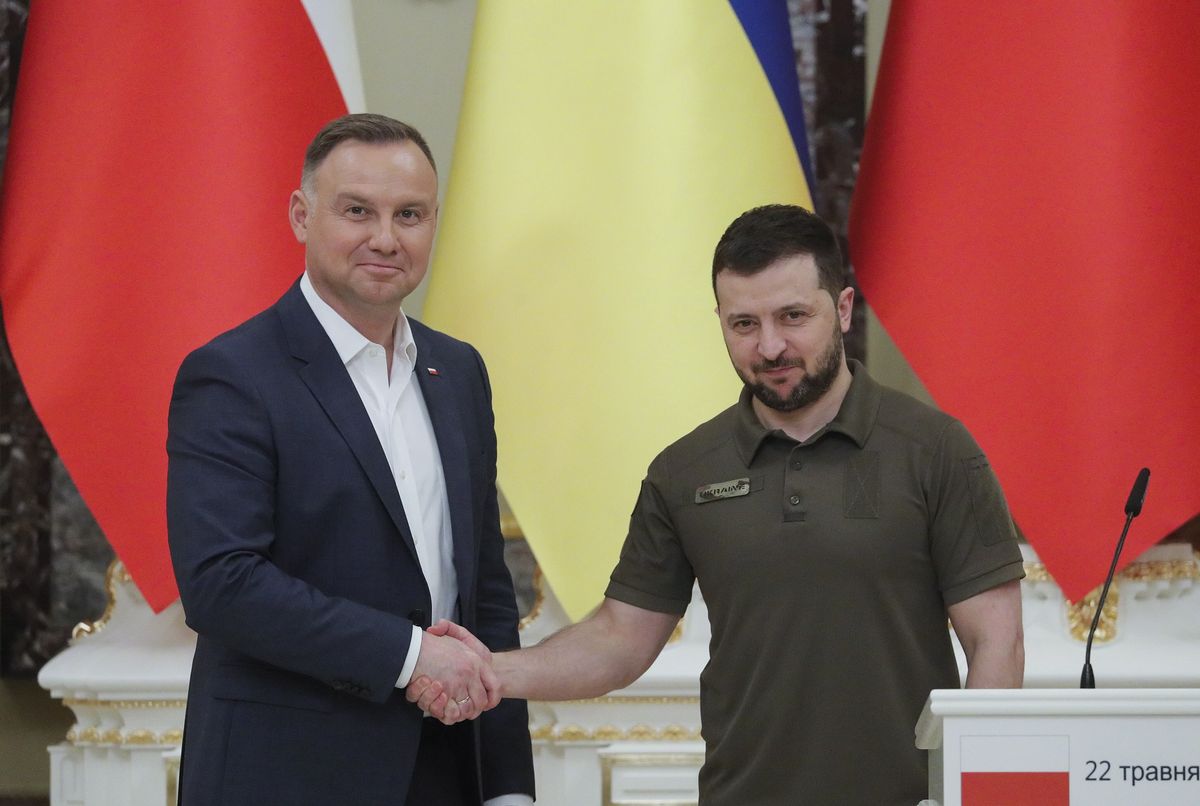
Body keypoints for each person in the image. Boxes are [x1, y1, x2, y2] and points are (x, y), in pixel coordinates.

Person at [411, 205, 1025, 804]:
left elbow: (996, 644)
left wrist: (975, 791)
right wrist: (487, 670)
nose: (771, 346)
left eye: (793, 316)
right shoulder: (685, 471)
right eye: (744, 324)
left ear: (841, 311)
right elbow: (621, 638)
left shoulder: (936, 449)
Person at [166, 113, 533, 805]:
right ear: (302, 216)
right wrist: (413, 654)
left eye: (411, 214)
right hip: (286, 777)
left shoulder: (458, 371)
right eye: (357, 211)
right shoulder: (231, 375)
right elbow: (222, 583)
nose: (386, 238)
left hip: (447, 770)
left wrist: (507, 786)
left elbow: (485, 588)